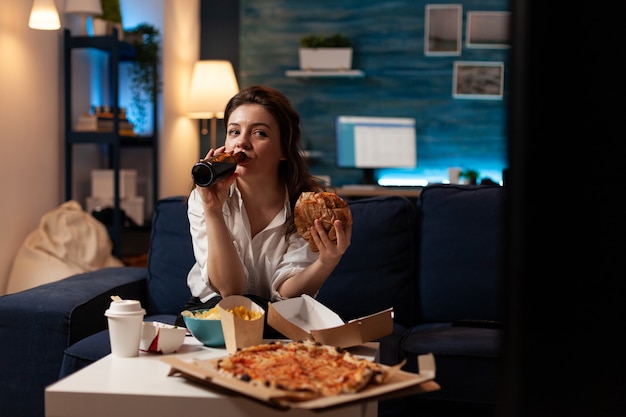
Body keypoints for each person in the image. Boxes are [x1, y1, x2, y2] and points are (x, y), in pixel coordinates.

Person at [175, 85, 352, 331]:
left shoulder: (307, 206)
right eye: (234, 132)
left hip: (275, 315)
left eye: (259, 133)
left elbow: (286, 292)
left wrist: (327, 261)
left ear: (283, 151)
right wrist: (213, 211)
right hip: (213, 312)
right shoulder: (203, 198)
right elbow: (230, 290)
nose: (242, 143)